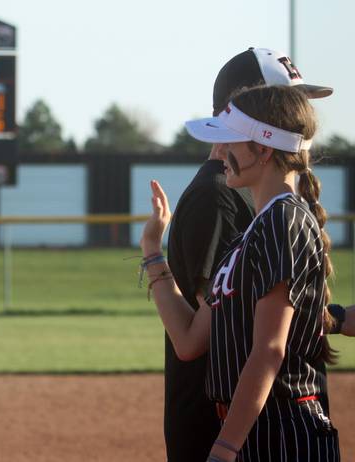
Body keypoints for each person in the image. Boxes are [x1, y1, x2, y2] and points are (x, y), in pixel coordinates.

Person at [142, 84, 340, 461]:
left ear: (263, 149)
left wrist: (223, 448)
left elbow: (269, 350)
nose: (220, 151)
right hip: (256, 433)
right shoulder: (256, 229)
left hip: (282, 435)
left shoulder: (282, 220)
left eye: (231, 141)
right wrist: (153, 251)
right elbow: (187, 340)